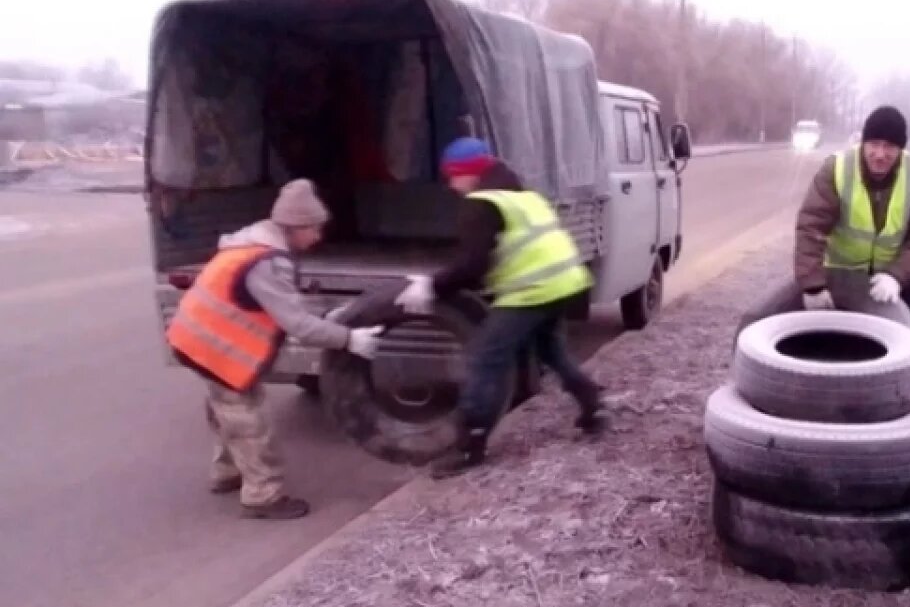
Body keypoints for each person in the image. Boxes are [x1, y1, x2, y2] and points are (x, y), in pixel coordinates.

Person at [166, 179, 385, 520]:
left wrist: (324, 321)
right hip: (216, 348)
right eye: (315, 229)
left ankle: (227, 471)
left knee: (227, 409)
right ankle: (262, 496)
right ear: (296, 227)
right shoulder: (266, 263)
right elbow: (298, 325)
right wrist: (349, 339)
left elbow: (281, 307)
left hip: (197, 339)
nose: (318, 237)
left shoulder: (250, 246)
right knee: (248, 420)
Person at [394, 137, 608, 479]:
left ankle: (470, 446)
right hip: (566, 283)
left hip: (532, 291)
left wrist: (431, 286)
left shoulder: (481, 204)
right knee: (552, 352)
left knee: (484, 359)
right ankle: (593, 406)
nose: (451, 186)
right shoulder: (526, 197)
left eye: (453, 176)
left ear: (469, 173)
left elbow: (473, 265)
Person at [739, 105, 910, 333]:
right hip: (836, 276)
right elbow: (811, 226)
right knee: (821, 340)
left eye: (889, 146)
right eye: (874, 144)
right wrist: (813, 285)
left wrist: (897, 276)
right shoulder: (837, 169)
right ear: (864, 142)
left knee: (908, 337)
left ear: (901, 149)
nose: (880, 154)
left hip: (888, 283)